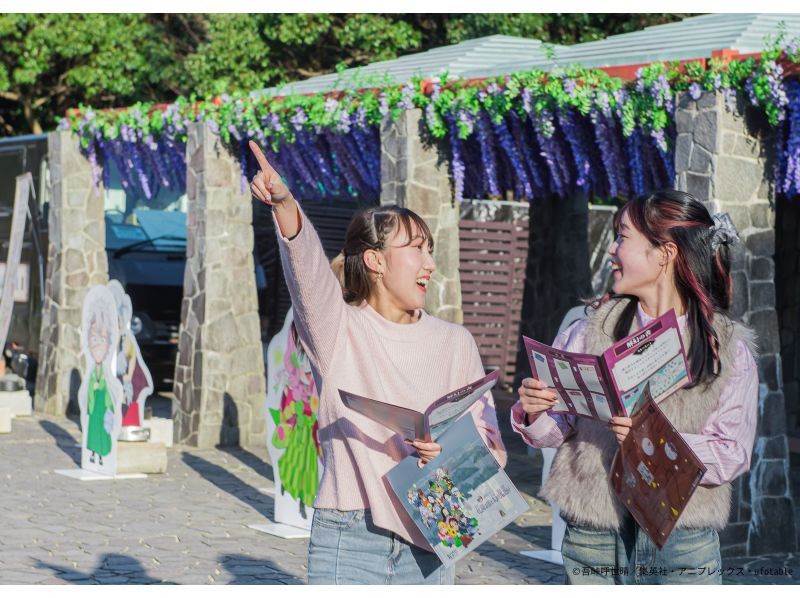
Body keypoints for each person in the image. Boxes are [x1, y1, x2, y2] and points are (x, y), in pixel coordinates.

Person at [248, 140, 506, 585]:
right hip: (351, 534)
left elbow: (488, 440)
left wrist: (449, 451)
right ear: (375, 260)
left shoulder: (456, 342)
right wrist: (286, 206)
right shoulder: (338, 331)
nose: (430, 263)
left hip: (432, 533)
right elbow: (307, 276)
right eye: (416, 249)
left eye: (430, 250)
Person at [511, 190, 758, 585]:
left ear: (665, 253)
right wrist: (535, 410)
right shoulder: (588, 329)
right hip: (594, 531)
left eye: (623, 237)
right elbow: (553, 430)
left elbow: (733, 453)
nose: (611, 249)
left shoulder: (725, 347)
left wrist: (658, 440)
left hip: (682, 538)